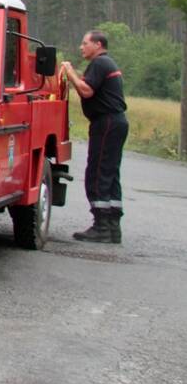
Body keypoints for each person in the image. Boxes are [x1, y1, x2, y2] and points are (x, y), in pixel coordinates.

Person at [61, 29, 129, 245]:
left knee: (98, 172)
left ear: (98, 45)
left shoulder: (100, 63)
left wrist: (68, 71)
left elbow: (86, 90)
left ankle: (101, 227)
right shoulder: (107, 63)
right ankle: (112, 227)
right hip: (115, 122)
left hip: (107, 122)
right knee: (110, 172)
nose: (81, 47)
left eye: (85, 43)